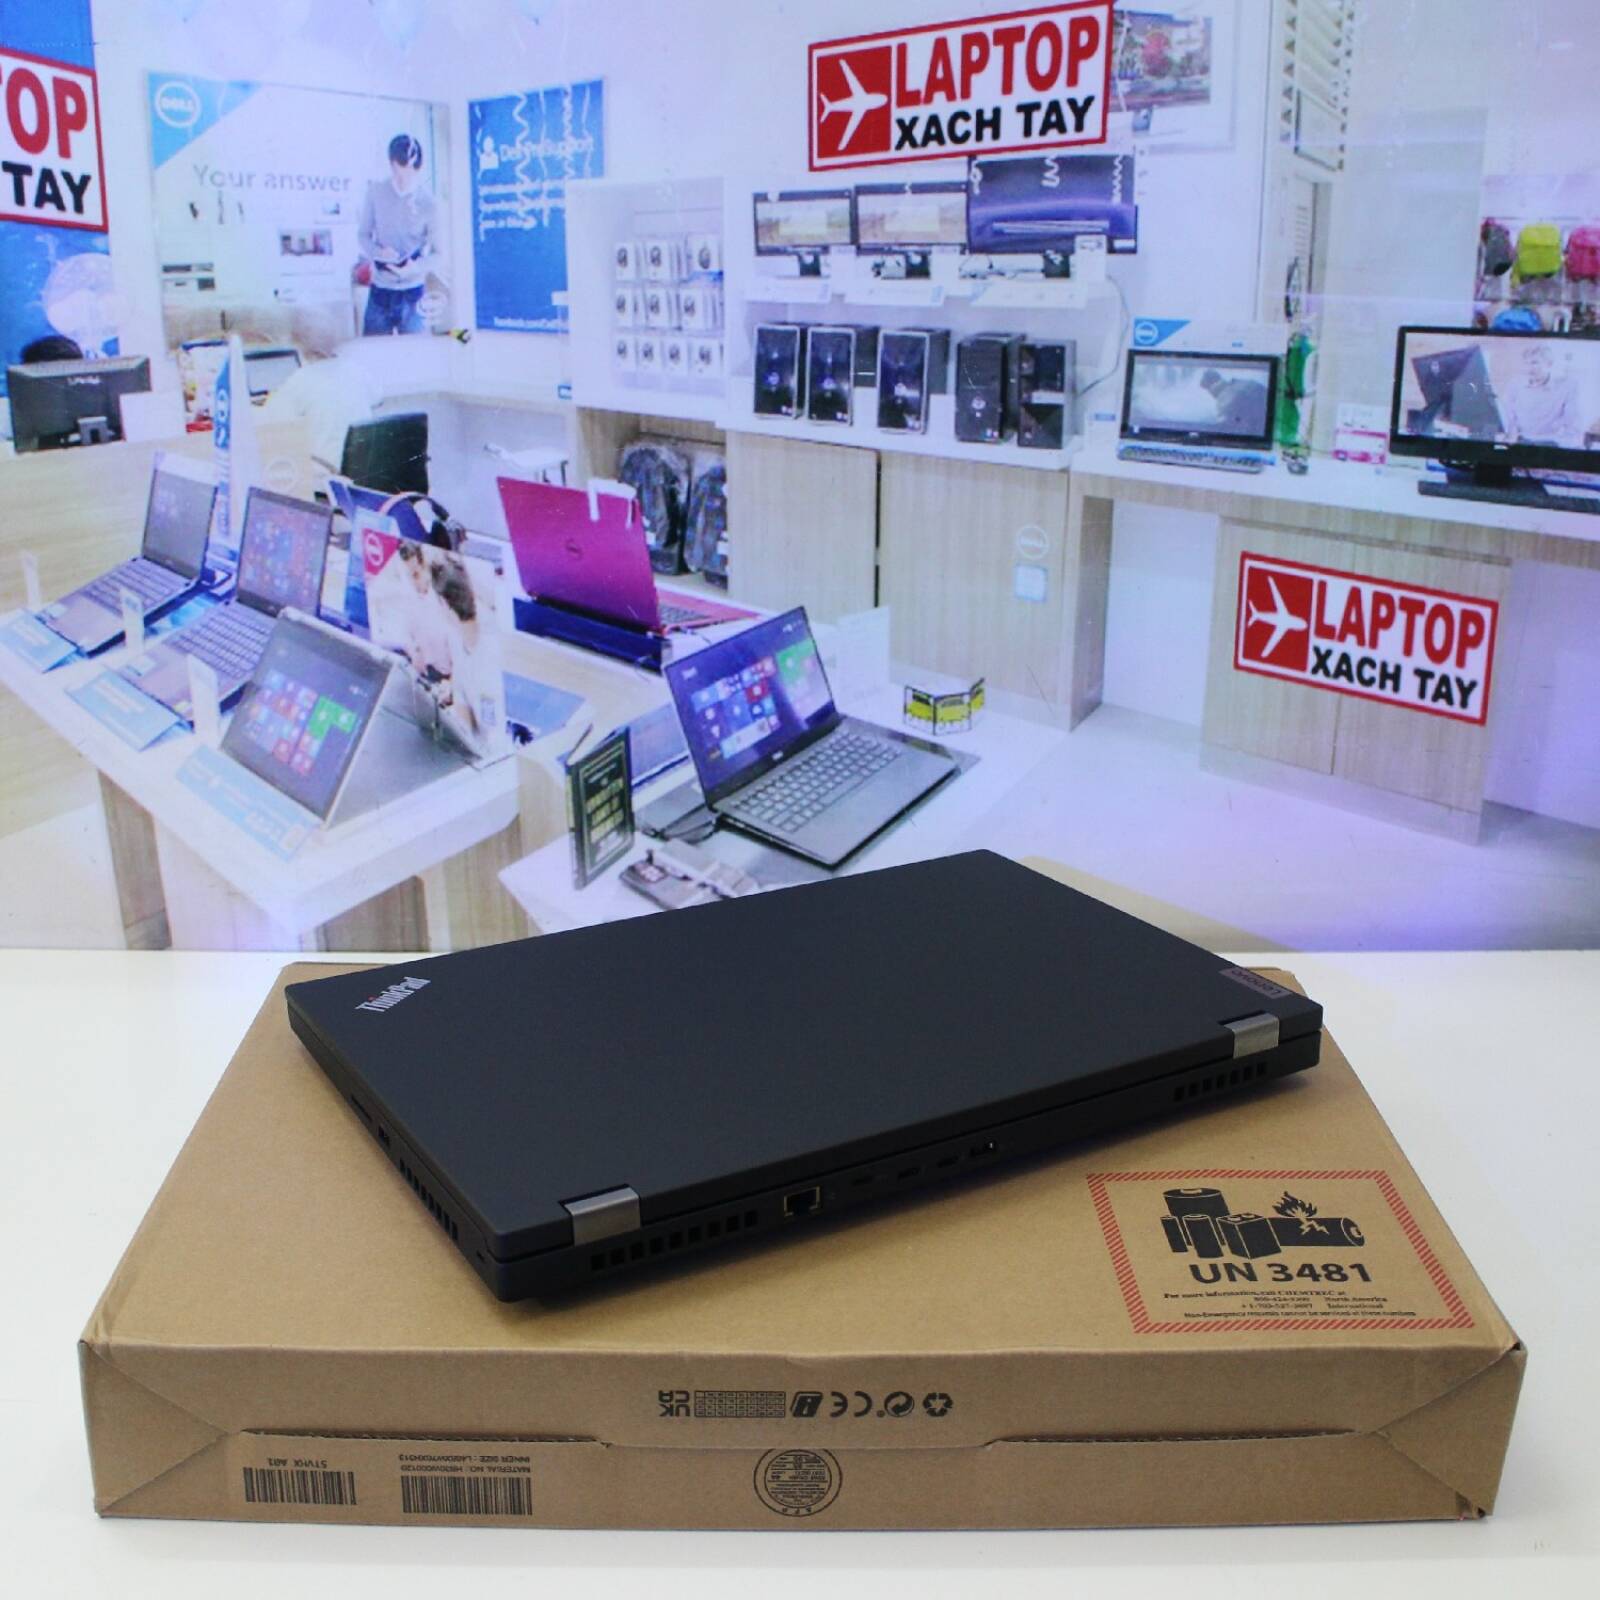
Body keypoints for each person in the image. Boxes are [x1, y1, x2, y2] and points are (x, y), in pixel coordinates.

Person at [358, 134, 437, 337]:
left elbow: (440, 253)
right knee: (373, 353)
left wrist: (415, 268)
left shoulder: (429, 203)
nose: (405, 179)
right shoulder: (375, 192)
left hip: (414, 294)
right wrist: (378, 252)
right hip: (380, 292)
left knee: (416, 354)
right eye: (400, 171)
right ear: (392, 164)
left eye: (411, 172)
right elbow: (363, 236)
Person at [1498, 341, 1582, 447]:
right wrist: (1510, 436)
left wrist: (1569, 447)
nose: (1529, 368)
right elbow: (1508, 415)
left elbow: (1573, 422)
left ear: (1549, 363)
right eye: (1526, 363)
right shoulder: (1515, 384)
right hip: (1521, 440)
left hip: (1552, 442)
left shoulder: (1566, 385)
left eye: (1534, 363)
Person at [1200, 367, 1270, 437]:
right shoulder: (1247, 382)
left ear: (1211, 386)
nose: (1210, 393)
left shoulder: (1224, 401)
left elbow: (1224, 429)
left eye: (1207, 389)